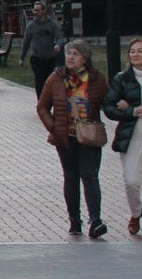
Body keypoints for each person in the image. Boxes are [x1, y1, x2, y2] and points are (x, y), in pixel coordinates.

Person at [35, 39, 109, 239]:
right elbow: (42, 106)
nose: (70, 58)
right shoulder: (56, 78)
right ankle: (75, 221)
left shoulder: (96, 79)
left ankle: (95, 220)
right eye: (68, 54)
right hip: (65, 137)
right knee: (71, 176)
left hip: (89, 136)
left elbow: (108, 101)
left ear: (85, 58)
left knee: (90, 175)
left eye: (75, 54)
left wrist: (119, 105)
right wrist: (53, 127)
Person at [104, 37, 142, 240]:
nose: (135, 55)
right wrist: (133, 111)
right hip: (132, 136)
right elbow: (109, 108)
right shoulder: (122, 79)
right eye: (132, 51)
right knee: (132, 181)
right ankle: (136, 213)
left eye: (140, 51)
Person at [20, 2, 63, 88]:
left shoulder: (52, 24)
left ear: (43, 11)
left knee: (50, 82)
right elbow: (26, 42)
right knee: (39, 82)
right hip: (37, 59)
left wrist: (58, 45)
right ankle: (41, 101)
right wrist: (22, 58)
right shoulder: (31, 26)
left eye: (37, 10)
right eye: (34, 10)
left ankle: (49, 100)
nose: (35, 12)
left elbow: (59, 38)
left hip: (50, 58)